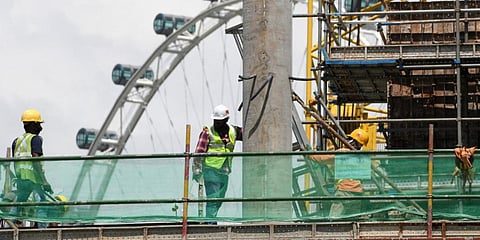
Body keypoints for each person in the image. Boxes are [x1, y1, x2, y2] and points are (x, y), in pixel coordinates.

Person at [192, 104, 242, 218]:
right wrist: (196, 170)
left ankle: (211, 220)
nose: (217, 123)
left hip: (224, 171)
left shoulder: (233, 131)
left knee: (219, 199)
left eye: (220, 121)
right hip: (211, 170)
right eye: (215, 121)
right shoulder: (207, 132)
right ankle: (210, 224)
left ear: (226, 120)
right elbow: (199, 151)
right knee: (213, 199)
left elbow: (247, 133)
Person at [310, 128, 369, 218]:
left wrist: (308, 154)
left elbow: (322, 158)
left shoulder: (343, 153)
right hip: (358, 193)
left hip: (344, 192)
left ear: (353, 141)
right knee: (353, 221)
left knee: (333, 220)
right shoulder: (363, 157)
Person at [11, 109, 53, 228]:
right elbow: (36, 160)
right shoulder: (35, 140)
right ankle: (42, 232)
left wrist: (18, 179)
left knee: (19, 204)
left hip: (21, 179)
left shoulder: (16, 141)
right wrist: (44, 181)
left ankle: (8, 228)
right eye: (39, 124)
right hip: (34, 179)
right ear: (33, 125)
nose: (41, 128)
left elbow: (14, 161)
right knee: (42, 203)